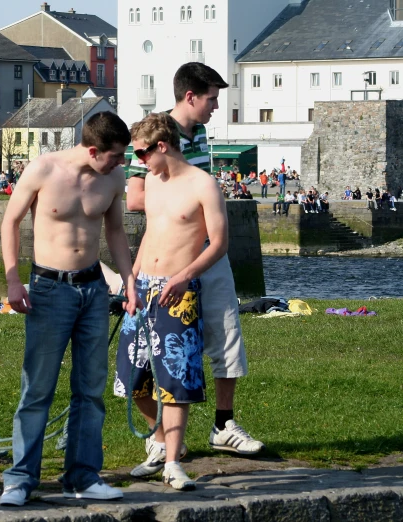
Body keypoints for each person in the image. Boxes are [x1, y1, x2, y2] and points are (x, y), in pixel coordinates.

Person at [124, 62, 264, 481]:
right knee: (147, 360)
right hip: (170, 254)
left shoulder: (199, 135)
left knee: (225, 332)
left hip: (208, 256)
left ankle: (223, 425)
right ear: (190, 97)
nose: (216, 107)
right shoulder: (153, 139)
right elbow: (136, 199)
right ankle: (164, 436)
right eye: (211, 99)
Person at [0, 112, 137, 507]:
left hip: (93, 289)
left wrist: (127, 280)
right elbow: (10, 222)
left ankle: (82, 476)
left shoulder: (112, 178)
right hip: (48, 288)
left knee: (90, 389)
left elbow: (115, 231)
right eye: (113, 156)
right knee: (37, 387)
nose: (119, 163)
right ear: (92, 150)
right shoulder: (43, 169)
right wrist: (13, 282)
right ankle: (21, 479)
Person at [116, 112, 228, 490]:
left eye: (143, 153)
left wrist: (184, 277)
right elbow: (150, 233)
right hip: (144, 285)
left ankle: (174, 462)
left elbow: (220, 243)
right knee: (132, 379)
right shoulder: (152, 180)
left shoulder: (204, 185)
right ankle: (159, 440)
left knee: (175, 380)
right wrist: (130, 281)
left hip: (180, 290)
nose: (139, 160)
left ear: (162, 146)